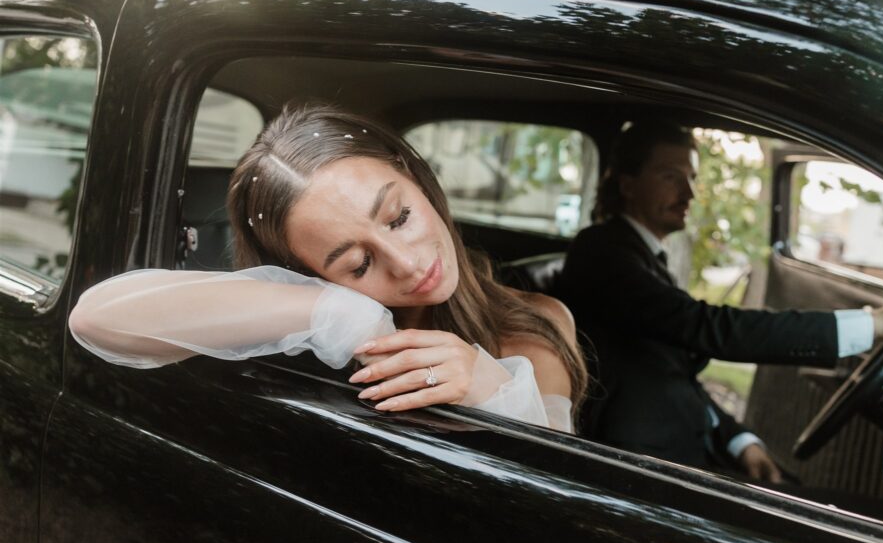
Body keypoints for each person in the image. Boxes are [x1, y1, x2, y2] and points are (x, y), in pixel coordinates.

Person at [69, 103, 586, 433]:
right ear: (310, 272)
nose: (408, 264)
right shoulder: (321, 334)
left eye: (399, 216)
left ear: (415, 176)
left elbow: (560, 500)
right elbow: (95, 320)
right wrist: (333, 309)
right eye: (358, 265)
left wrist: (492, 390)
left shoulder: (535, 321)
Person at [558, 120, 883, 478]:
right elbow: (708, 329)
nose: (689, 192)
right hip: (648, 464)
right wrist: (875, 324)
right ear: (628, 184)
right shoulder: (603, 253)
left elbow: (674, 369)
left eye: (692, 178)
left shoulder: (640, 254)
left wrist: (740, 440)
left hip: (692, 442)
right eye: (670, 176)